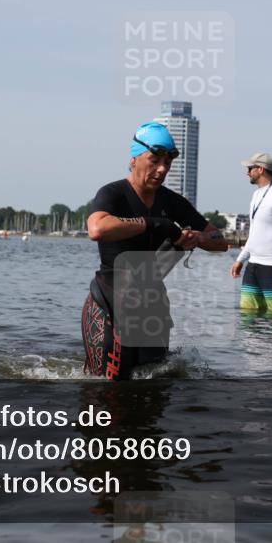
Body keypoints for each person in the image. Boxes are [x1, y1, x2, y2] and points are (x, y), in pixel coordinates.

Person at [82, 122, 228, 380]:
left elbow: (220, 242)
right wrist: (153, 224)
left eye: (167, 163)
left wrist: (198, 237)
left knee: (153, 387)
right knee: (107, 388)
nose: (162, 169)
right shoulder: (113, 194)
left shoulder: (172, 202)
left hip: (152, 307)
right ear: (134, 159)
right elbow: (97, 229)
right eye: (154, 160)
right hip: (109, 303)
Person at [231, 153, 272, 316]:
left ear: (260, 169)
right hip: (252, 266)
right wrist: (240, 259)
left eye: (250, 168)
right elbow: (254, 233)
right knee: (247, 315)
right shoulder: (256, 195)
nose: (247, 172)